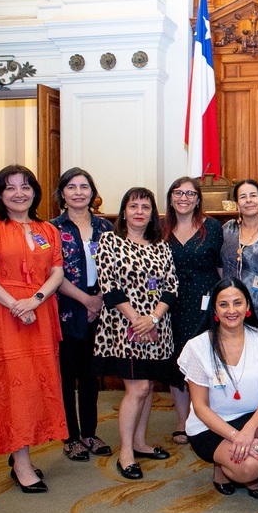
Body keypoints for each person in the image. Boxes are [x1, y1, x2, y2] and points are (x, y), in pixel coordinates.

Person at [0, 165, 66, 493]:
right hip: (4, 318)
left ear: (34, 191)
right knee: (14, 387)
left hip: (39, 315)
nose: (19, 193)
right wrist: (15, 304)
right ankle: (20, 462)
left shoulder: (47, 230)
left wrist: (34, 300)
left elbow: (57, 272)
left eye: (25, 186)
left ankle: (23, 451)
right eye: (10, 187)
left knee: (36, 386)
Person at [95, 187, 178, 480]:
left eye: (145, 206)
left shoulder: (161, 246)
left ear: (153, 213)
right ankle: (126, 452)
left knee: (148, 387)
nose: (139, 211)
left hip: (156, 327)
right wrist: (137, 321)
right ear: (124, 211)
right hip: (124, 327)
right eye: (133, 206)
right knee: (138, 388)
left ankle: (141, 443)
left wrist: (153, 319)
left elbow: (170, 286)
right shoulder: (109, 241)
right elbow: (109, 285)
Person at [178, 278, 258, 499]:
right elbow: (200, 407)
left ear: (248, 305)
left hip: (250, 419)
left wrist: (248, 431)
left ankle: (246, 469)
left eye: (237, 303)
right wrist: (235, 436)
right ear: (215, 309)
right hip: (210, 426)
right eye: (224, 304)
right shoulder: (198, 347)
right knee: (248, 468)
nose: (231, 310)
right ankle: (226, 469)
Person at [50, 168, 114, 462]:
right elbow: (53, 274)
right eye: (71, 187)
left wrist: (98, 300)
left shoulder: (105, 228)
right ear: (62, 193)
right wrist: (86, 301)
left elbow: (114, 269)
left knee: (91, 376)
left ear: (92, 191)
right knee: (66, 375)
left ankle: (89, 432)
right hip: (66, 308)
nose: (78, 192)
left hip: (99, 308)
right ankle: (70, 437)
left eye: (84, 186)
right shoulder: (51, 229)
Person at [164, 177, 223, 446]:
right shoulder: (160, 227)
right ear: (171, 197)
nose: (184, 197)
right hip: (171, 303)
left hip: (206, 301)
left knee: (207, 359)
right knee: (177, 361)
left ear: (198, 199)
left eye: (190, 193)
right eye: (179, 192)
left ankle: (208, 417)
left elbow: (221, 268)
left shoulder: (212, 227)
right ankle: (181, 420)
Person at [221, 179, 258, 330]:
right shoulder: (227, 229)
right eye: (243, 197)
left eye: (253, 195)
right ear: (237, 203)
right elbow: (219, 266)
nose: (248, 201)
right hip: (229, 310)